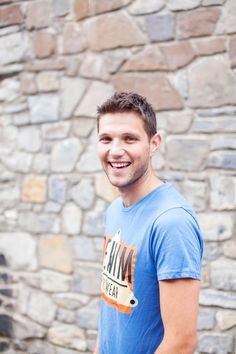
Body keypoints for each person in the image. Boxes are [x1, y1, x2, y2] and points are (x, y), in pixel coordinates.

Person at [93, 92, 203, 354]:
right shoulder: (114, 210)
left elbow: (181, 342)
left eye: (130, 138)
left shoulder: (171, 222)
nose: (115, 150)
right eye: (106, 139)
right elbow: (111, 309)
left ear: (154, 143)